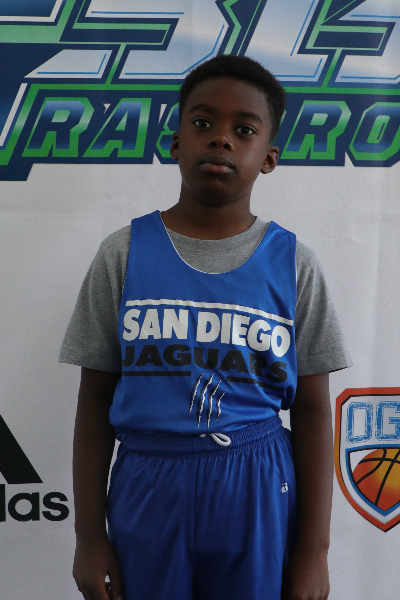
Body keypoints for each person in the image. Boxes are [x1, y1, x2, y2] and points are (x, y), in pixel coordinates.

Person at [60, 55, 351, 600]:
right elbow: (95, 398)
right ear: (176, 143)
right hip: (149, 482)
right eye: (202, 123)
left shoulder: (294, 264)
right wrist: (88, 536)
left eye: (244, 130)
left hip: (256, 482)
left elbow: (313, 409)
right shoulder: (123, 254)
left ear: (269, 157)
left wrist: (314, 551)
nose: (221, 139)